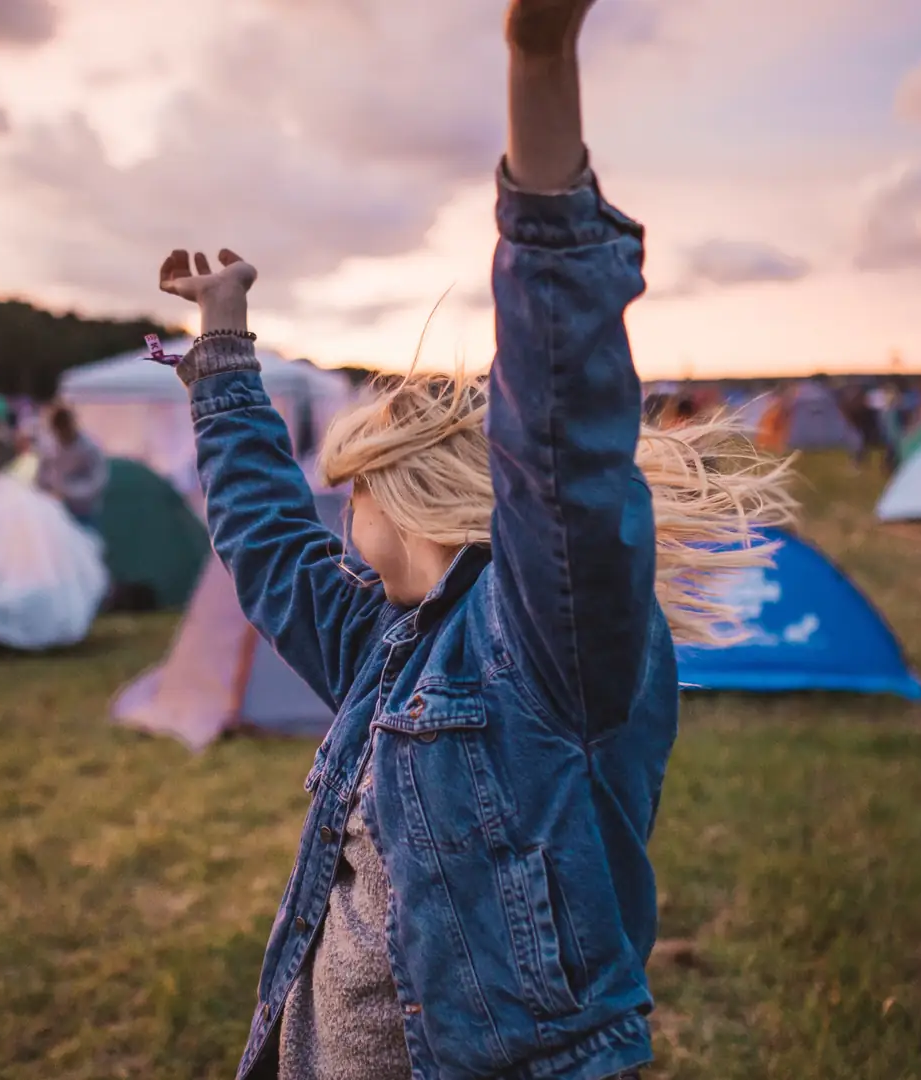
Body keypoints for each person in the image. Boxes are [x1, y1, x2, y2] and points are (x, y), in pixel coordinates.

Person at [153, 4, 790, 1076]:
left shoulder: (546, 644)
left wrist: (538, 68)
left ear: (403, 497)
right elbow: (265, 543)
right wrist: (220, 348)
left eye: (347, 491)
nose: (332, 517)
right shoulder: (384, 645)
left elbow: (562, 433)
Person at [38, 404, 110, 528]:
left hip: (82, 512)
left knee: (85, 544)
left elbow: (98, 481)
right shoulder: (49, 447)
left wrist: (69, 492)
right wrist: (47, 494)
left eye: (65, 427)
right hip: (55, 510)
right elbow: (42, 477)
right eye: (58, 429)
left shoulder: (89, 448)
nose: (62, 433)